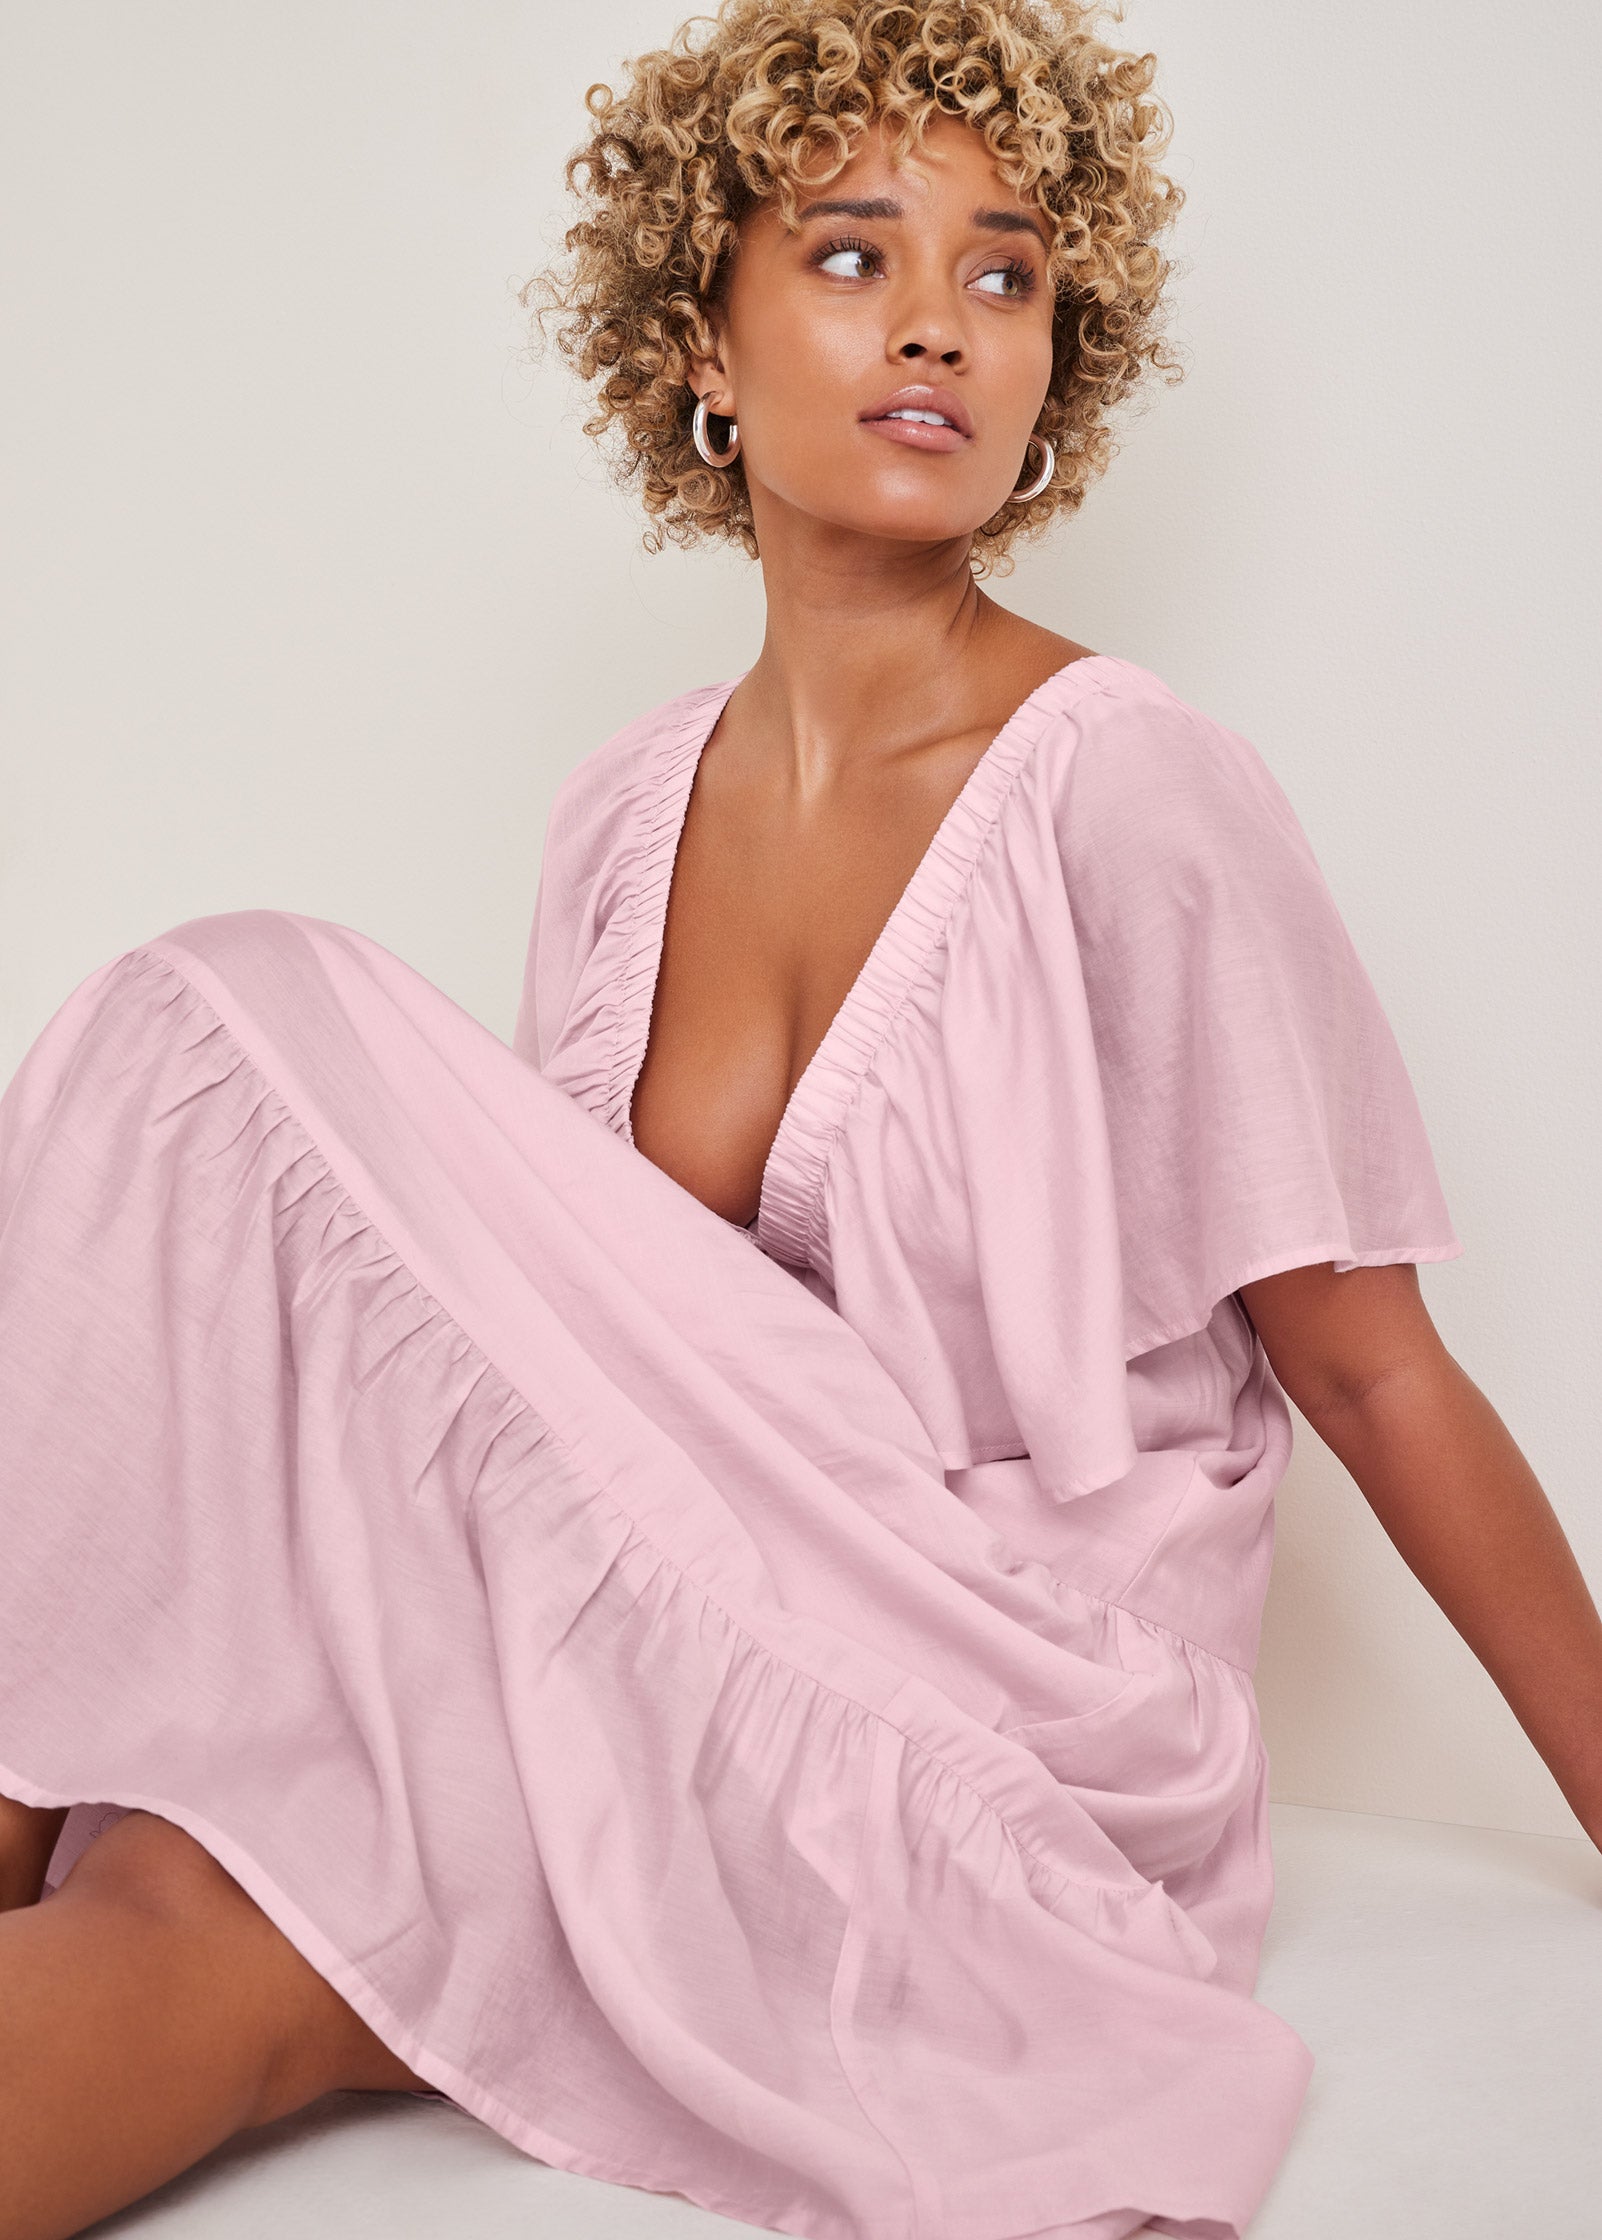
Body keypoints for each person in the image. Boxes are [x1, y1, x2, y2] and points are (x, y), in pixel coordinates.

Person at [2, 4, 1598, 2237]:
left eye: (1005, 274)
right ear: (702, 342)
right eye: (852, 255)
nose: (939, 320)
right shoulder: (618, 815)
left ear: (1054, 366)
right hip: (684, 1630)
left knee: (217, 1003)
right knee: (199, 1858)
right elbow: (586, 1377)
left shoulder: (1133, 791)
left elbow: (1371, 1368)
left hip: (1003, 1707)